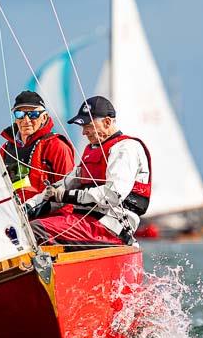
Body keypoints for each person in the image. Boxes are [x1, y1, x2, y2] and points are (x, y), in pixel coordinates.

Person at [24, 96, 151, 248]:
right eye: (82, 126)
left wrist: (65, 195)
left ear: (107, 122)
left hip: (109, 227)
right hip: (85, 223)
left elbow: (113, 195)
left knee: (35, 229)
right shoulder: (92, 150)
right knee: (24, 226)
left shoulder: (126, 148)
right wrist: (28, 207)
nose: (84, 132)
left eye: (88, 126)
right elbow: (64, 184)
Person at [0, 91, 75, 202]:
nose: (26, 120)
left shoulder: (57, 146)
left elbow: (68, 190)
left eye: (33, 114)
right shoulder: (5, 149)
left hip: (46, 210)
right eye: (20, 114)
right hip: (13, 210)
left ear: (44, 117)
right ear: (15, 118)